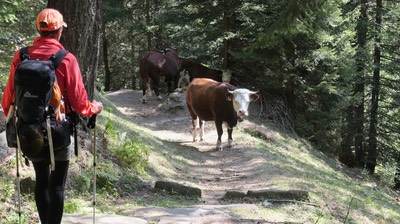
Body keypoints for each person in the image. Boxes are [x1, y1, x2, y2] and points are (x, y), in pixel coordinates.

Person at [1, 8, 103, 224]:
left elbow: (8, 99)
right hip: (58, 129)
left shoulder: (21, 56)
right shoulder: (66, 59)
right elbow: (80, 103)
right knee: (57, 185)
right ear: (58, 32)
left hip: (30, 131)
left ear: (38, 29)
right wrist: (96, 108)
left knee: (41, 181)